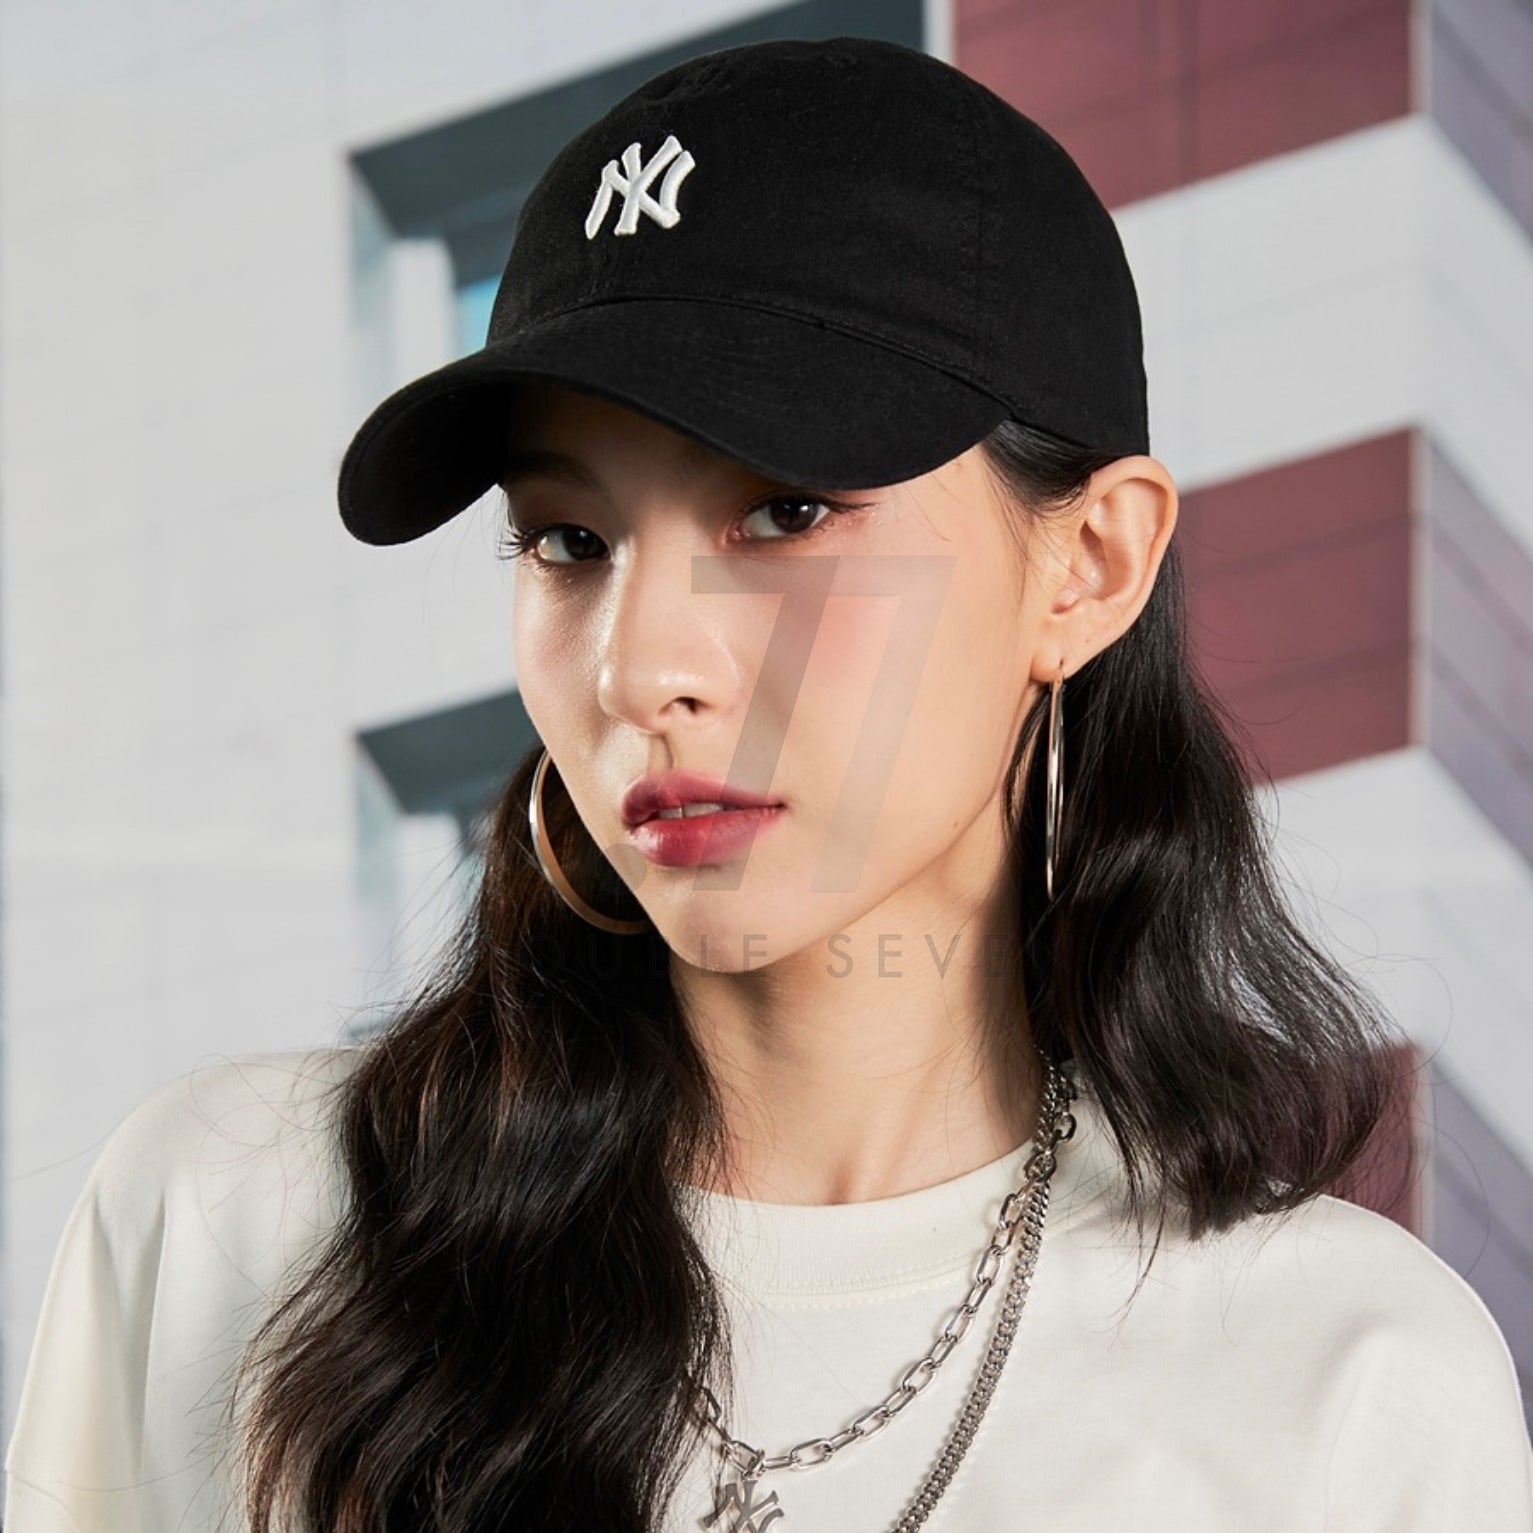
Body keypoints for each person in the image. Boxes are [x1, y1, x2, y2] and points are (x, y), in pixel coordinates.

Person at [5, 33, 1532, 1533]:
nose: (639, 666)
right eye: (569, 540)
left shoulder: (1344, 1388)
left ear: (1085, 563)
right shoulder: (229, 1226)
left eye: (785, 511)